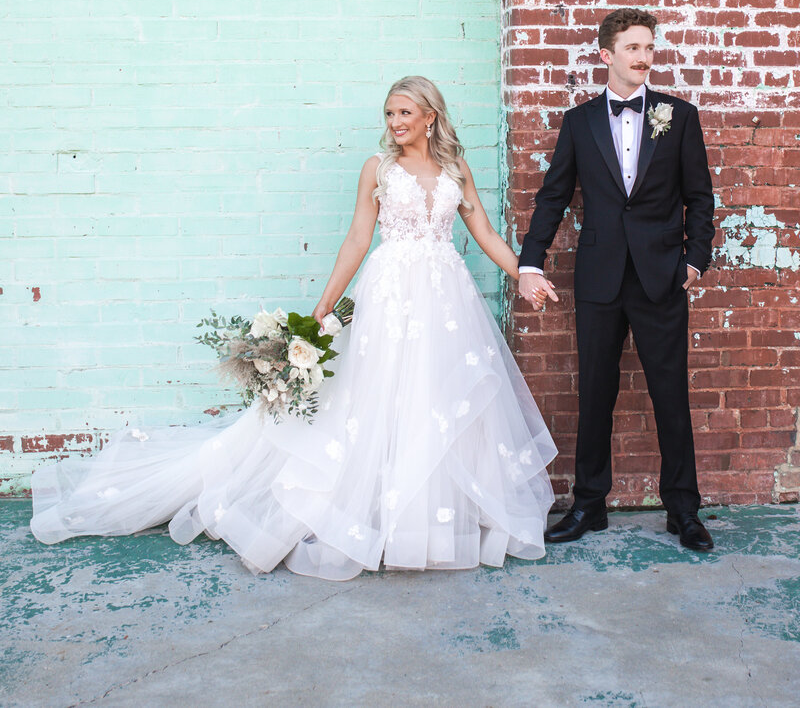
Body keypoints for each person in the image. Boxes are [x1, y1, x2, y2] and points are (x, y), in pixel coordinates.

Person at [31, 77, 556, 580]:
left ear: (430, 116)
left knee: (435, 396)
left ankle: (428, 520)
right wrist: (324, 306)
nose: (395, 122)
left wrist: (524, 274)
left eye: (405, 112)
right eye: (389, 113)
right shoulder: (378, 169)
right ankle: (376, 509)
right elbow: (358, 238)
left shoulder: (455, 170)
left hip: (444, 299)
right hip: (390, 293)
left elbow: (484, 232)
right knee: (375, 395)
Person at [518, 9, 716, 552]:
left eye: (649, 47)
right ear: (606, 54)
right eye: (633, 47)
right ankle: (589, 505)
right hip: (599, 279)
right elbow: (553, 197)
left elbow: (700, 197)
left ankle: (683, 510)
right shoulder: (579, 122)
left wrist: (693, 263)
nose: (644, 56)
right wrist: (530, 263)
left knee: (670, 395)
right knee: (595, 394)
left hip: (661, 278)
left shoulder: (679, 116)